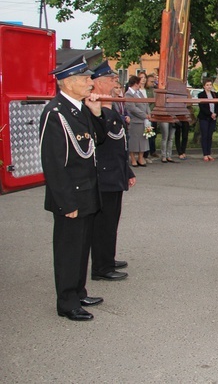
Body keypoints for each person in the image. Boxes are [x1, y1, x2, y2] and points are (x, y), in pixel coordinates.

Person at [39, 54, 106, 321]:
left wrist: (97, 113)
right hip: (71, 196)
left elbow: (97, 141)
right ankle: (66, 301)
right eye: (86, 78)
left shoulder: (79, 108)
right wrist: (66, 203)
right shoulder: (55, 113)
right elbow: (53, 163)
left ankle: (78, 290)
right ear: (68, 82)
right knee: (68, 249)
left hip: (88, 191)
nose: (91, 82)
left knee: (82, 247)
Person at [90, 62, 135, 281]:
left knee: (112, 219)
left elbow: (120, 145)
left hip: (115, 172)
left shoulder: (111, 105)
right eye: (111, 80)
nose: (115, 83)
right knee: (103, 223)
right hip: (104, 174)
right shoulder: (94, 108)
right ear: (98, 83)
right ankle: (101, 266)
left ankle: (108, 257)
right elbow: (101, 140)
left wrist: (127, 171)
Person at [125, 75, 150, 167]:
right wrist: (144, 115)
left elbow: (146, 104)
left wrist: (148, 114)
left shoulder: (139, 92)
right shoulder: (129, 94)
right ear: (135, 83)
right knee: (134, 141)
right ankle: (133, 158)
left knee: (143, 140)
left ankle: (140, 157)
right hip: (135, 120)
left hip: (144, 121)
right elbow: (132, 108)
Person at [197, 78, 217, 162]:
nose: (209, 86)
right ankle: (205, 154)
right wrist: (210, 114)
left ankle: (209, 153)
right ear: (204, 86)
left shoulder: (214, 94)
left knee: (210, 136)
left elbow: (217, 105)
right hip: (204, 117)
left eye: (210, 85)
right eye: (207, 85)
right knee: (204, 135)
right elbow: (202, 107)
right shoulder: (201, 95)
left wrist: (215, 113)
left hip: (213, 117)